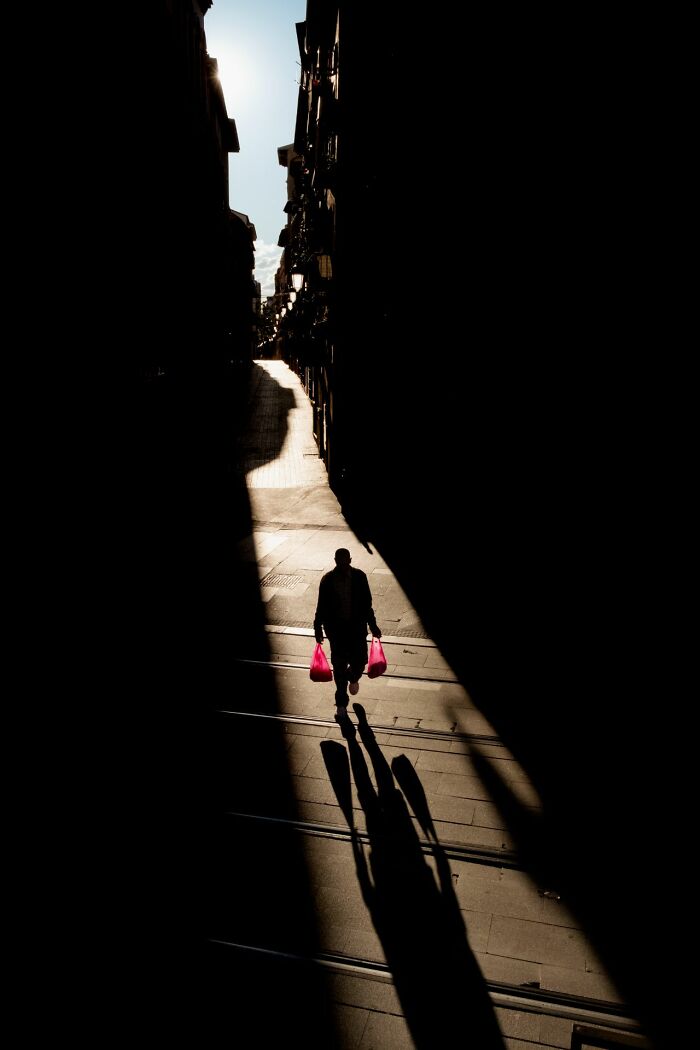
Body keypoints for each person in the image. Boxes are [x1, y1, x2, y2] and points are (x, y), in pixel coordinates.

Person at [314, 548, 382, 721]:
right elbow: (321, 606)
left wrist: (373, 626)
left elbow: (367, 605)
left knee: (359, 663)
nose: (343, 564)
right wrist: (318, 628)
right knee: (338, 667)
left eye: (345, 561)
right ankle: (341, 704)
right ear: (335, 561)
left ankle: (352, 677)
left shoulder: (360, 577)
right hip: (337, 632)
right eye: (340, 561)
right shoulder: (327, 580)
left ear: (350, 560)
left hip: (357, 630)